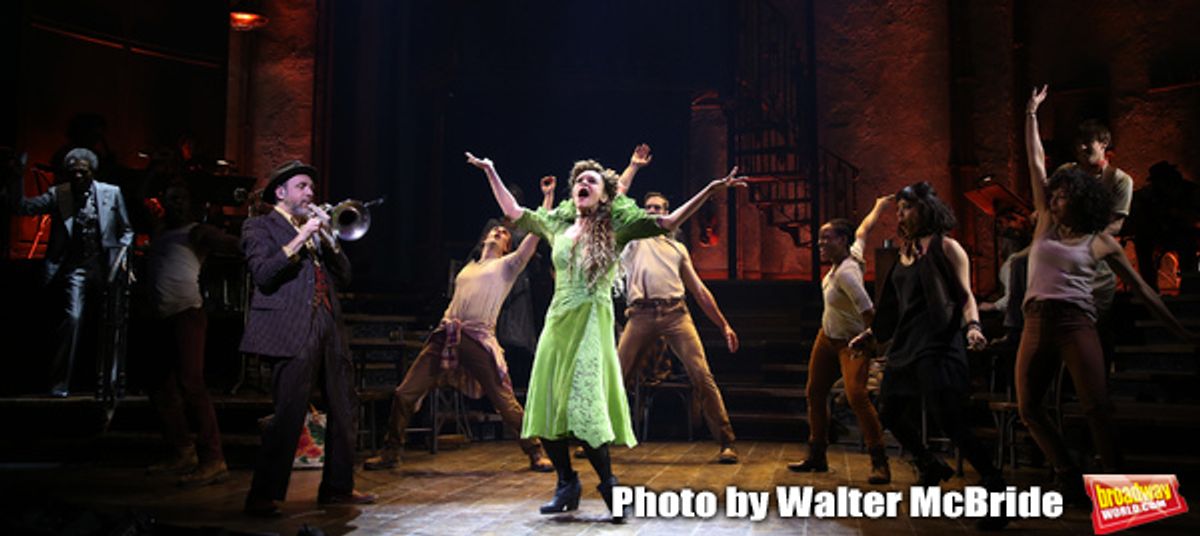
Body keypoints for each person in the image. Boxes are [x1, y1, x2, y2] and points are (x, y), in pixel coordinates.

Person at [466, 151, 742, 520]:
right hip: (557, 323)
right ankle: (567, 483)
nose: (583, 183)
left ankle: (609, 484)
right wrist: (491, 170)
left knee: (585, 401)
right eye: (579, 179)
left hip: (591, 321)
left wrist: (709, 189)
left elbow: (671, 219)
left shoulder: (617, 228)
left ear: (605, 195)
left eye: (592, 181)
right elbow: (515, 212)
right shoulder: (557, 226)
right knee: (546, 401)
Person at [1020, 86, 1197, 498]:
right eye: (1055, 194)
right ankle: (1066, 472)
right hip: (1035, 321)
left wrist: (1179, 332)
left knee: (1097, 407)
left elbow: (1144, 291)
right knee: (1030, 408)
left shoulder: (1101, 242)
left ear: (1079, 202)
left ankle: (1120, 492)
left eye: (1062, 196)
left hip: (1076, 322)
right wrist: (1030, 113)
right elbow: (1034, 163)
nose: (1054, 198)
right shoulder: (1045, 222)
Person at [363, 176, 558, 473]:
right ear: (483, 239)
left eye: (503, 233)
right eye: (494, 230)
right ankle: (391, 451)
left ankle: (535, 451)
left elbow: (534, 236)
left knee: (504, 400)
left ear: (508, 246)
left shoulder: (507, 267)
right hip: (446, 334)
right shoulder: (468, 267)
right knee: (405, 393)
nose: (497, 231)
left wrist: (547, 198)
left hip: (477, 339)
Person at [852, 182, 1008, 530]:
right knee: (888, 410)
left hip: (939, 342)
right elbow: (891, 310)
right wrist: (871, 336)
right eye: (899, 209)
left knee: (949, 419)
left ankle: (994, 484)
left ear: (926, 209)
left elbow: (966, 295)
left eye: (907, 207)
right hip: (907, 344)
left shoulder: (947, 247)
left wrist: (974, 327)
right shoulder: (902, 255)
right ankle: (929, 464)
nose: (901, 214)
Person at [240, 160, 374, 517]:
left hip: (328, 325)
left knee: (345, 406)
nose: (310, 194)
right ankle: (263, 494)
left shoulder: (318, 232)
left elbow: (344, 276)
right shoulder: (259, 226)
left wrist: (328, 239)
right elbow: (263, 273)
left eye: (312, 188)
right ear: (281, 193)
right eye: (302, 186)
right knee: (289, 411)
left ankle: (337, 487)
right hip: (292, 326)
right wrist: (301, 237)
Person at [617, 191, 741, 464]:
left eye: (659, 208)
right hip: (641, 314)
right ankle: (594, 440)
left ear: (668, 212)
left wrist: (724, 325)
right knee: (615, 376)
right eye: (648, 208)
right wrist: (633, 168)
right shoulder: (632, 242)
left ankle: (726, 442)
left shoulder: (677, 249)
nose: (653, 212)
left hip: (675, 314)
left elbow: (699, 290)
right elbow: (616, 198)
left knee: (702, 375)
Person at [8, 148, 133, 397]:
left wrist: (121, 259)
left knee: (112, 324)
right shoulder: (60, 195)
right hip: (75, 268)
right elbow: (22, 207)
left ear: (92, 172)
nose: (78, 177)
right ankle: (59, 383)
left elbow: (126, 231)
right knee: (73, 319)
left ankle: (111, 383)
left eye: (83, 172)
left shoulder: (111, 193)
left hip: (104, 267)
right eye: (73, 172)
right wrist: (16, 176)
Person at [143, 182, 241, 486]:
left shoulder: (197, 231)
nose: (175, 204)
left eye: (180, 199)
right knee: (160, 386)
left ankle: (213, 458)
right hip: (160, 315)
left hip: (187, 313)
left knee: (191, 383)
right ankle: (182, 450)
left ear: (190, 203)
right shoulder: (160, 234)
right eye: (170, 198)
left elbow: (232, 244)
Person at [789, 196, 892, 484]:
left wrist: (872, 344)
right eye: (820, 240)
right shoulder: (852, 254)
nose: (821, 245)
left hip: (851, 342)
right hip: (827, 337)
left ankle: (879, 460)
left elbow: (869, 311)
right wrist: (879, 207)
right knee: (814, 392)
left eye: (826, 240)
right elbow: (863, 231)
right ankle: (817, 454)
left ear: (841, 240)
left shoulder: (847, 273)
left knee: (856, 395)